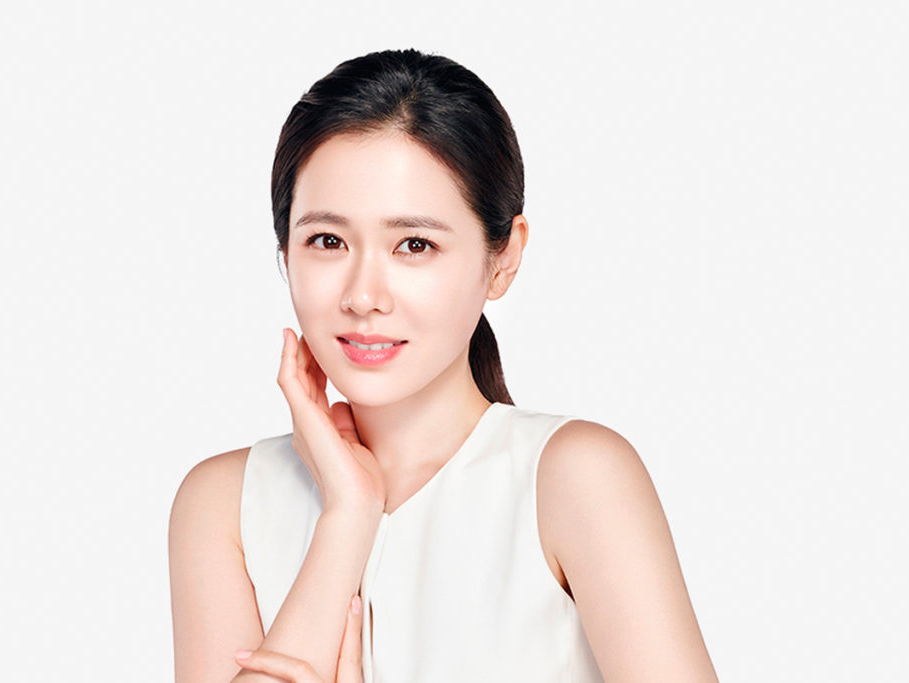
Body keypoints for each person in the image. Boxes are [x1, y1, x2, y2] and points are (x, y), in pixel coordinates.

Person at [168, 48, 718, 682]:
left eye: (414, 244)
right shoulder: (224, 505)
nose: (363, 296)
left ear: (503, 258)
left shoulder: (574, 480)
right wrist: (346, 519)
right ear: (285, 250)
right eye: (328, 240)